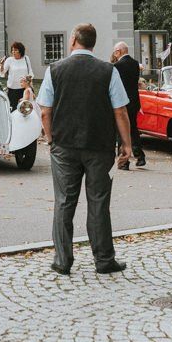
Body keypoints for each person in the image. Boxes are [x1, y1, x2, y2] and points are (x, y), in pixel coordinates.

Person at [37, 23, 132, 276]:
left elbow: (45, 110)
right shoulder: (108, 71)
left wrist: (51, 139)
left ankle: (62, 260)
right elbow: (120, 111)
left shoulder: (55, 69)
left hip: (64, 146)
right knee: (99, 202)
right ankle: (104, 259)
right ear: (93, 43)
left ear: (73, 40)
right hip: (99, 146)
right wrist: (127, 144)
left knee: (64, 202)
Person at [110, 41, 144, 170]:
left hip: (122, 102)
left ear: (118, 51)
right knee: (133, 128)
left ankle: (124, 161)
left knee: (121, 130)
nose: (114, 54)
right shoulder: (135, 64)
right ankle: (140, 156)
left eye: (115, 52)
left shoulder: (117, 66)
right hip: (134, 101)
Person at [0, 42, 34, 110]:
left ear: (20, 51)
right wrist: (2, 64)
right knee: (13, 109)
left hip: (24, 89)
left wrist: (30, 86)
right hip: (13, 90)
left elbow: (30, 72)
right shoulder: (9, 60)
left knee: (24, 109)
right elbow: (2, 73)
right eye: (12, 50)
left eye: (15, 50)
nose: (13, 52)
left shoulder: (26, 58)